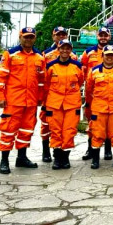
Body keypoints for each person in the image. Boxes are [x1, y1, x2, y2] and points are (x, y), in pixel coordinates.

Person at [0, 27, 45, 174]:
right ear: (20, 37)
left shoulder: (39, 57)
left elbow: (42, 80)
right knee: (8, 131)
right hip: (13, 101)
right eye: (26, 37)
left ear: (34, 38)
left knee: (26, 130)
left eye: (31, 37)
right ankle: (4, 161)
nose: (28, 39)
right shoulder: (10, 54)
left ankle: (21, 158)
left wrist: (40, 98)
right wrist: (0, 97)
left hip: (31, 102)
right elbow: (0, 78)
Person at [81, 27, 113, 161]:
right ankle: (90, 149)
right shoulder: (88, 52)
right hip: (94, 95)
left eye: (106, 35)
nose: (103, 38)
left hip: (112, 95)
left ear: (109, 37)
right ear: (97, 36)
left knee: (111, 124)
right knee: (93, 123)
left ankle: (107, 150)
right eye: (101, 35)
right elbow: (83, 72)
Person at [85, 45, 113, 170]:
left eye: (112, 55)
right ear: (102, 56)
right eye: (107, 55)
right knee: (97, 133)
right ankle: (95, 160)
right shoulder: (94, 71)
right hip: (99, 108)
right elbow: (89, 88)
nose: (109, 57)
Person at [44, 39, 84, 170]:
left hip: (72, 104)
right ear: (58, 49)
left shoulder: (77, 66)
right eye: (62, 48)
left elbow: (80, 81)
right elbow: (46, 84)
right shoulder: (51, 66)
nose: (65, 51)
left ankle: (65, 157)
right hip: (54, 104)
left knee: (69, 131)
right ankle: (57, 158)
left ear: (71, 50)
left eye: (67, 48)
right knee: (55, 131)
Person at [39, 26, 72, 163]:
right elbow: (42, 78)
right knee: (46, 124)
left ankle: (61, 153)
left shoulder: (72, 55)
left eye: (63, 35)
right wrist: (43, 99)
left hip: (67, 99)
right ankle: (46, 151)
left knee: (65, 127)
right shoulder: (46, 54)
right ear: (53, 37)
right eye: (58, 35)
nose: (61, 37)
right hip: (50, 97)